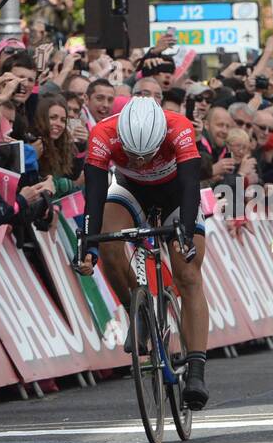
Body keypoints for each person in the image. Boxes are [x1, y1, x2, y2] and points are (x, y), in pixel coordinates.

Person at [77, 96, 210, 409]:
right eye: (132, 155)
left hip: (176, 193)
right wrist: (89, 247)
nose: (139, 161)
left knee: (188, 273)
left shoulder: (179, 127)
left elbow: (192, 184)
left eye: (146, 154)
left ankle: (197, 368)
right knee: (109, 247)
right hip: (130, 190)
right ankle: (136, 310)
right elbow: (94, 195)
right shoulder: (102, 133)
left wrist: (185, 235)